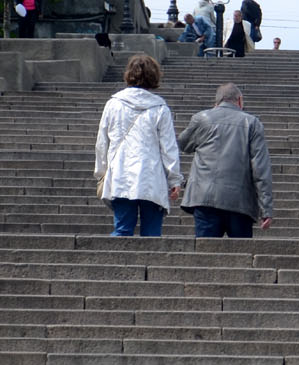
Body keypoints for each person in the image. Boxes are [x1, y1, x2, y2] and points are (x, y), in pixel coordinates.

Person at [94, 53, 182, 237]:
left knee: (122, 229)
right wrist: (174, 179)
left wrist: (101, 172)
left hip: (121, 174)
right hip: (151, 176)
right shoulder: (160, 108)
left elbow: (102, 142)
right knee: (151, 233)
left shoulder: (113, 104)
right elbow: (168, 147)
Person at [179, 81, 273, 238]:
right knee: (240, 256)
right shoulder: (252, 123)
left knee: (205, 255)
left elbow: (183, 144)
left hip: (204, 199)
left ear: (216, 102)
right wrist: (266, 208)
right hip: (240, 202)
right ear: (240, 100)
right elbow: (261, 169)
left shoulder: (201, 118)